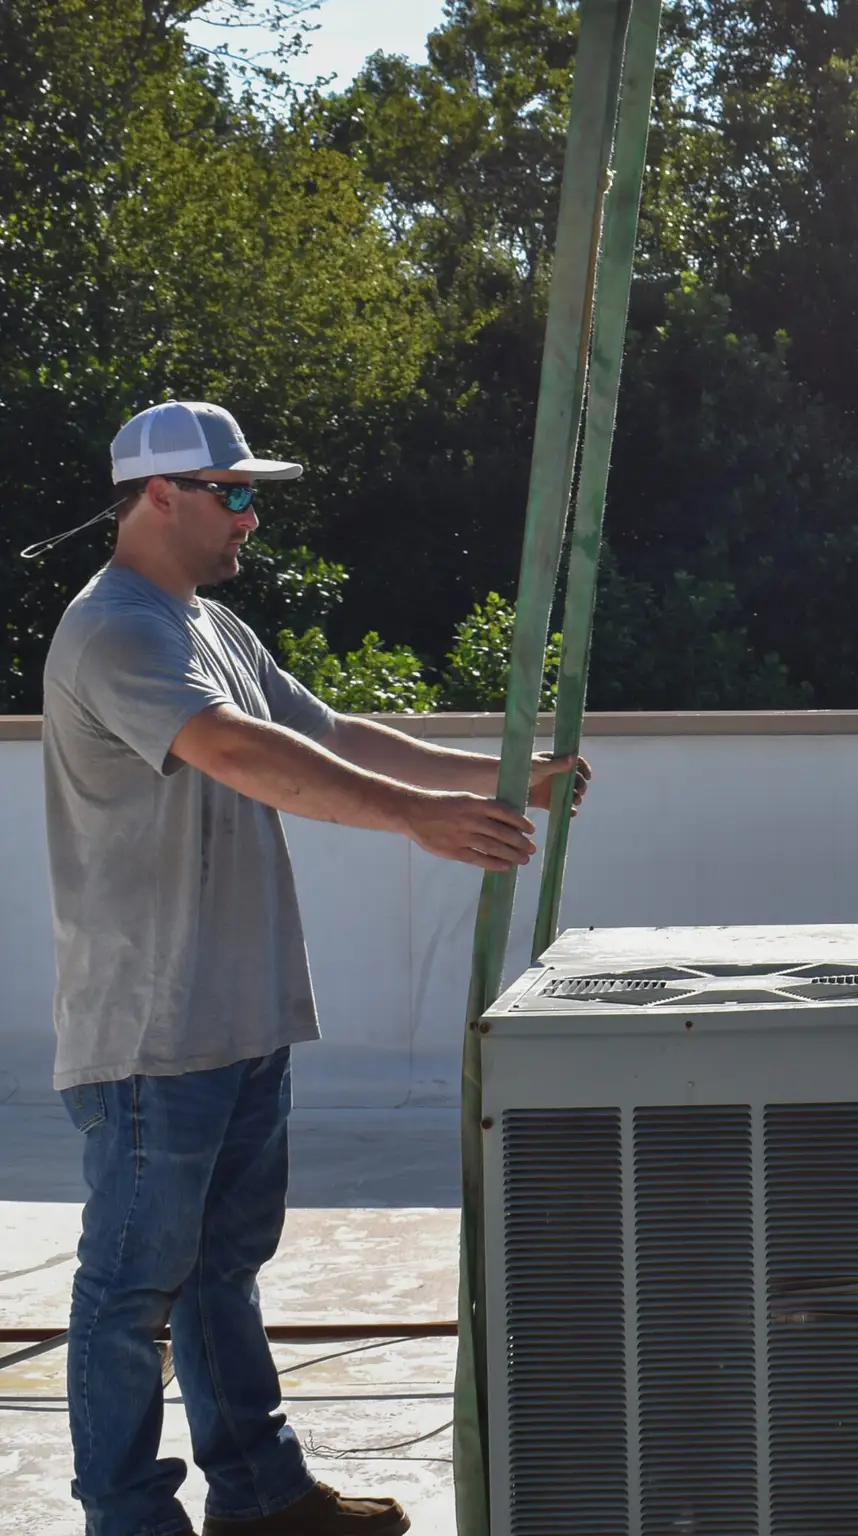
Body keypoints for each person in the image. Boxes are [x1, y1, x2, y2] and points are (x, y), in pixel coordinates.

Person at [40, 401, 591, 1536]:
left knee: (224, 1271)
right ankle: (129, 1517)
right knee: (129, 1293)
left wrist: (498, 781)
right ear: (160, 496)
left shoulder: (210, 627)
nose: (251, 516)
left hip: (236, 1020)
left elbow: (324, 733)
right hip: (151, 1037)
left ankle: (260, 1495)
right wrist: (415, 821)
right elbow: (234, 751)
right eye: (234, 493)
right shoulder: (116, 632)